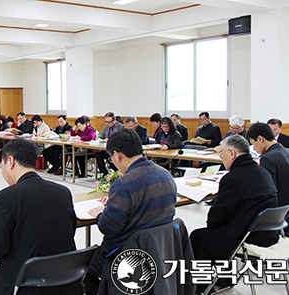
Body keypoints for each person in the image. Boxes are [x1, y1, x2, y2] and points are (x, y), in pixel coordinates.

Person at [0, 138, 80, 295]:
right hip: (64, 282)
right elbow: (71, 230)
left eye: (2, 165)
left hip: (24, 287)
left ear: (11, 161)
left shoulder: (4, 198)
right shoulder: (62, 191)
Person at [85, 128, 177, 295]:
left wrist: (100, 213)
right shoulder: (166, 176)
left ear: (117, 155)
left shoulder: (124, 184)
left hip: (125, 254)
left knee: (83, 264)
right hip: (158, 252)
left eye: (112, 159)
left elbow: (109, 228)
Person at [190, 135, 279, 281]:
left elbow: (214, 219)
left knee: (198, 236)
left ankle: (200, 283)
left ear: (231, 153)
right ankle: (224, 278)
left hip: (245, 236)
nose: (221, 157)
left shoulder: (233, 178)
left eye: (222, 153)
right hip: (268, 233)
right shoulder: (263, 172)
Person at [247, 122, 289, 233]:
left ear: (260, 139)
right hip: (285, 209)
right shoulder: (286, 151)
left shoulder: (268, 158)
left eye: (253, 144)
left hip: (276, 213)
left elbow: (267, 191)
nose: (254, 149)